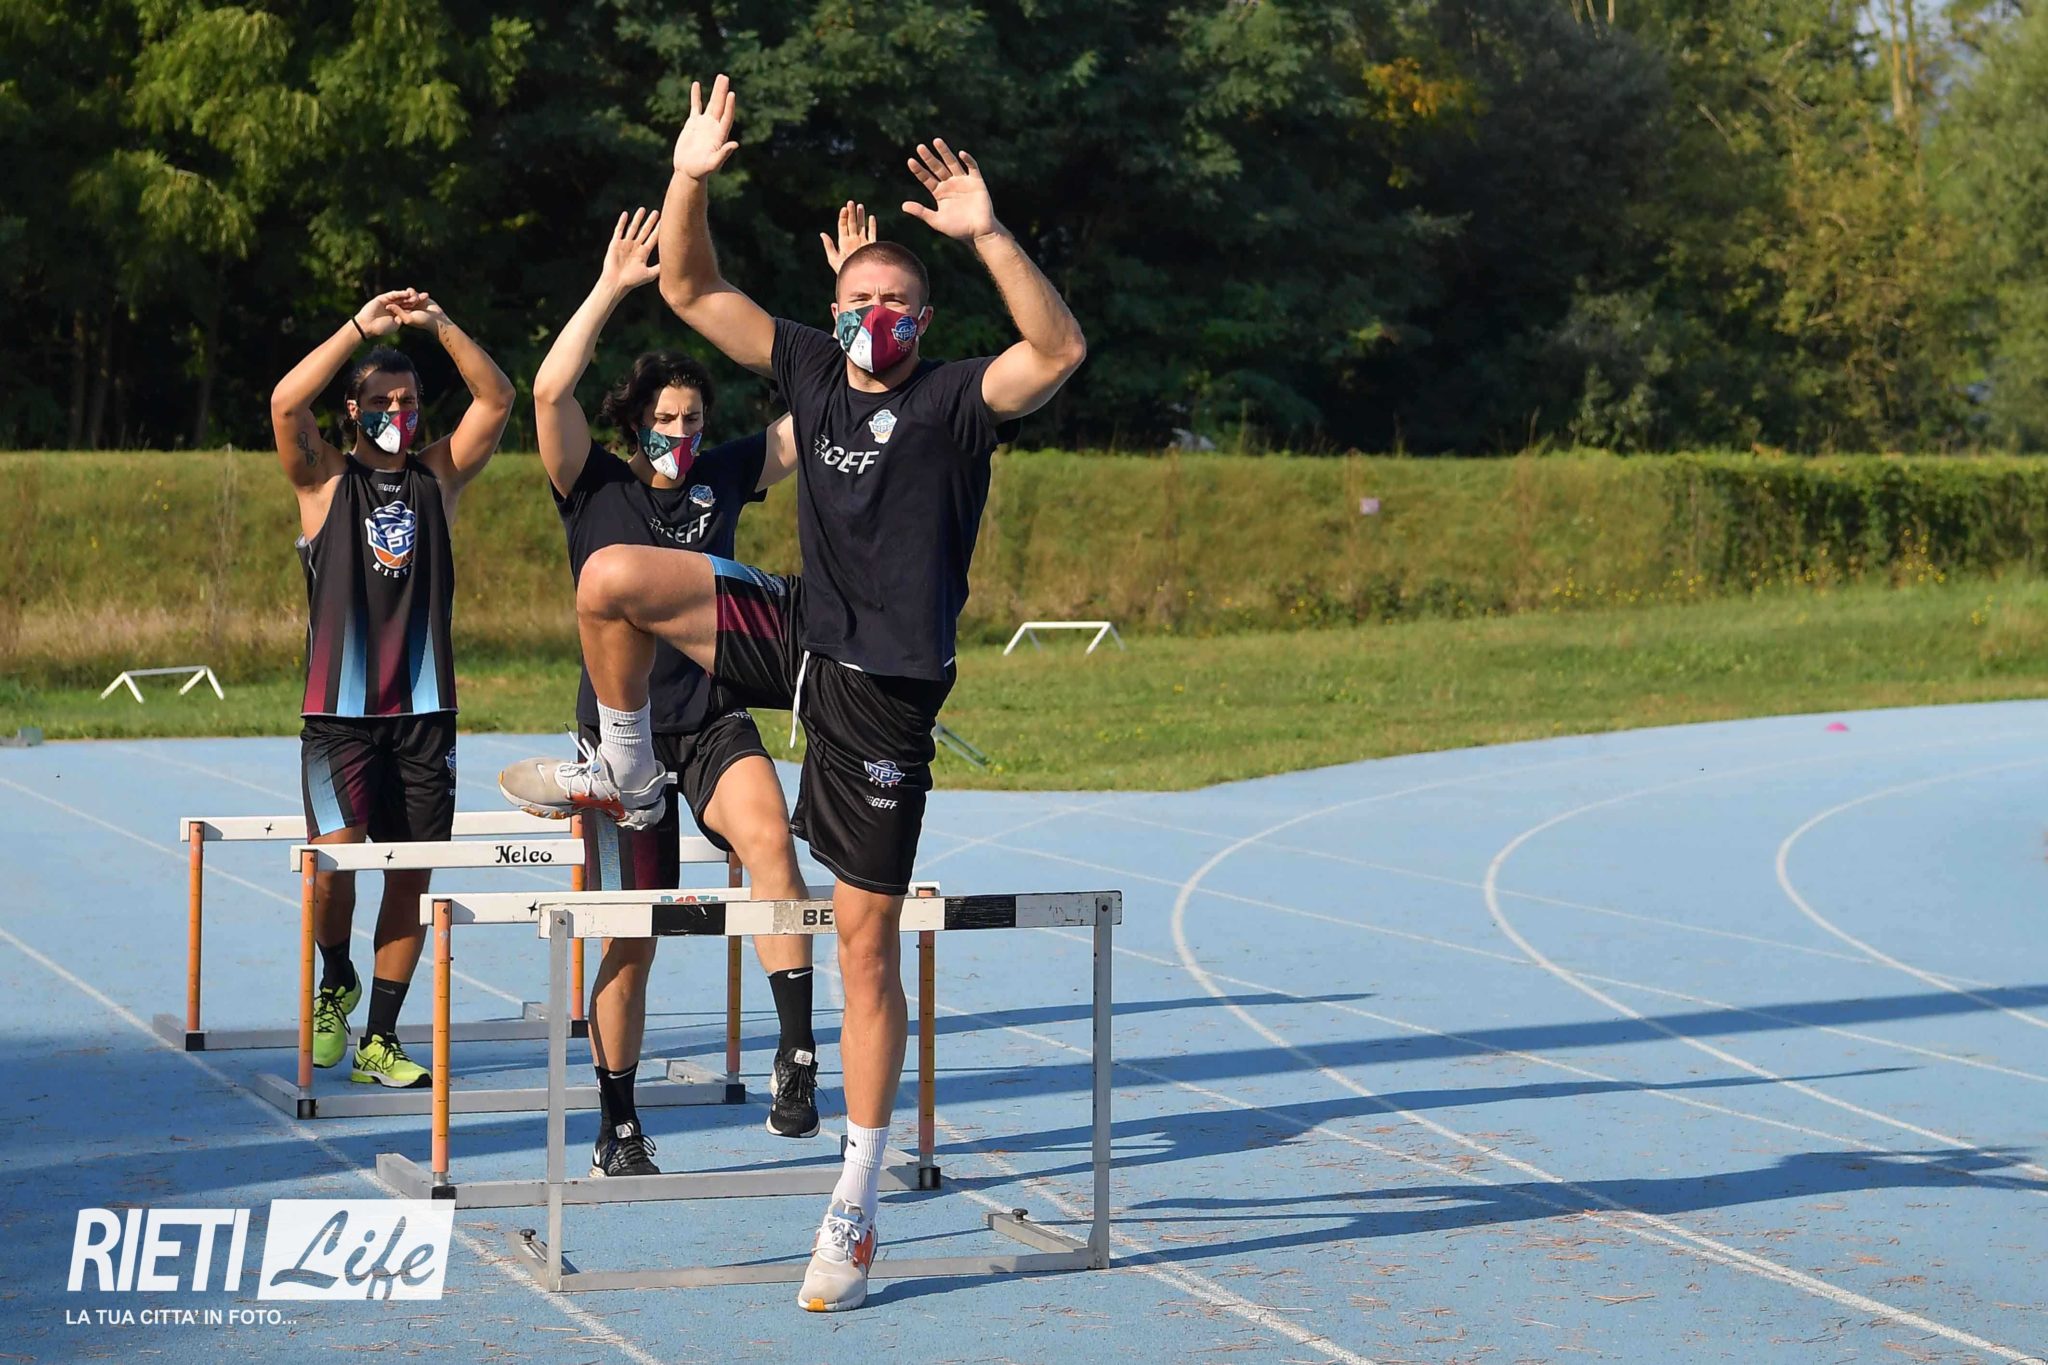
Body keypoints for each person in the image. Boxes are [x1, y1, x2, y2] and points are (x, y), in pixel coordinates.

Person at [498, 74, 1085, 1310]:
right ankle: (624, 760)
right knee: (609, 578)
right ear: (832, 311)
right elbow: (689, 287)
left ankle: (853, 1204)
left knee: (864, 949)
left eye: (896, 303)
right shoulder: (811, 370)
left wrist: (985, 231)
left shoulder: (952, 399)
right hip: (797, 629)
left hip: (883, 692)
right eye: (858, 301)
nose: (876, 317)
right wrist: (688, 176)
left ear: (925, 317)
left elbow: (1057, 352)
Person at [507, 204, 873, 1170]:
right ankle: (618, 1120)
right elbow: (547, 391)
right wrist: (610, 286)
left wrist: (849, 323)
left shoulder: (723, 477)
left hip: (712, 719)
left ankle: (797, 1054)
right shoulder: (592, 484)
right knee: (635, 934)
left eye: (693, 421)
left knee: (771, 842)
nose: (680, 433)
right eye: (665, 420)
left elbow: (818, 417)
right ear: (635, 422)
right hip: (620, 740)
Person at [269, 289, 514, 1088]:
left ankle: (380, 1036)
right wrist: (357, 329)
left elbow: (497, 399)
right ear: (353, 408)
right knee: (333, 867)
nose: (396, 414)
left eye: (407, 402)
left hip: (424, 714)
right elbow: (285, 403)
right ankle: (335, 976)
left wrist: (441, 326)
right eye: (380, 402)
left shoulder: (437, 477)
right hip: (337, 714)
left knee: (410, 874)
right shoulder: (322, 480)